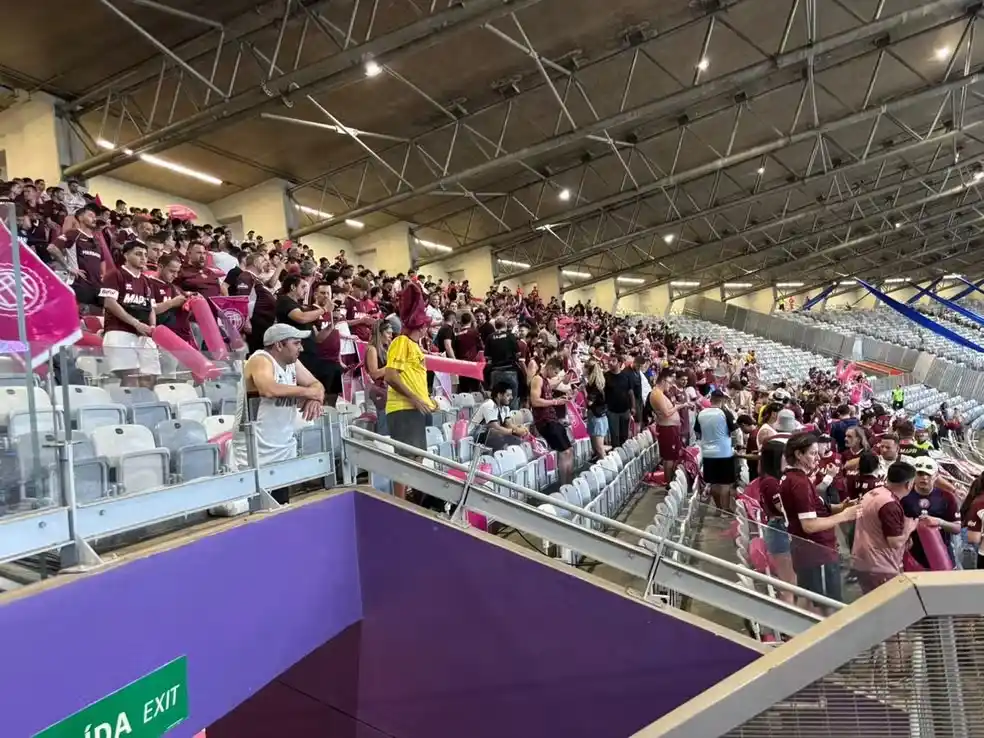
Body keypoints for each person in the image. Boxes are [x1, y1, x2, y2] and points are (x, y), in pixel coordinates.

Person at [229, 324, 325, 503]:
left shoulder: (292, 363)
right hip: (255, 449)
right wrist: (308, 393)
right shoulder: (260, 360)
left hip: (282, 447)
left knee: (281, 505)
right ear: (279, 345)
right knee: (259, 511)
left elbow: (317, 386)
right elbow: (268, 389)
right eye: (296, 343)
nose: (301, 348)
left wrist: (315, 398)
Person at [779, 432, 859, 610]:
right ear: (799, 455)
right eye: (813, 453)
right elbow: (809, 525)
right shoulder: (799, 482)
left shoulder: (794, 478)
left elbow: (814, 508)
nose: (818, 458)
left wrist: (841, 507)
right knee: (824, 606)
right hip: (816, 553)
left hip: (809, 551)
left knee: (808, 598)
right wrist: (844, 516)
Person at [385, 285, 437, 501]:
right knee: (406, 460)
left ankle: (411, 504)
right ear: (422, 326)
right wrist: (415, 398)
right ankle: (400, 505)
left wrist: (427, 399)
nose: (427, 329)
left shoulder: (415, 346)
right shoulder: (401, 342)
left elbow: (412, 379)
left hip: (414, 409)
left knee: (417, 458)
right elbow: (391, 376)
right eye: (426, 325)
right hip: (403, 408)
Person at [851, 462, 920, 593]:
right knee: (887, 609)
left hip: (862, 560)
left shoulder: (872, 493)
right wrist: (909, 528)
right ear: (908, 484)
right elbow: (895, 542)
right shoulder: (890, 505)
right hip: (881, 567)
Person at [99, 240, 160, 386]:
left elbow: (151, 308)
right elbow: (110, 303)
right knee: (130, 377)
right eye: (138, 254)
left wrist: (153, 329)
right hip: (119, 331)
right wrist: (136, 323)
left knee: (150, 378)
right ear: (126, 255)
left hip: (143, 334)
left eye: (145, 254)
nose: (143, 258)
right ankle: (129, 407)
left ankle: (147, 408)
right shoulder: (114, 274)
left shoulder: (147, 281)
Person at [901, 456, 960, 568]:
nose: (924, 478)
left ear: (936, 476)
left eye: (928, 474)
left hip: (942, 555)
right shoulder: (904, 497)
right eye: (920, 474)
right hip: (914, 557)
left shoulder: (947, 497)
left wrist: (940, 522)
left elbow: (957, 528)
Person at [758, 440, 797, 603]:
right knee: (788, 583)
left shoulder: (772, 480)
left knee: (790, 581)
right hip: (779, 530)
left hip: (779, 529)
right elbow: (784, 508)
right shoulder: (771, 482)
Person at [531, 356, 574, 485]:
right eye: (555, 372)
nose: (555, 375)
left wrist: (562, 380)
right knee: (564, 452)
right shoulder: (537, 379)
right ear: (549, 368)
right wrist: (555, 401)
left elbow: (554, 384)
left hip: (553, 420)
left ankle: (570, 483)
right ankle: (564, 485)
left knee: (570, 450)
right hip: (545, 422)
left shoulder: (545, 381)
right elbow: (535, 401)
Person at [694, 390, 738, 511]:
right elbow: (734, 430)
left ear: (711, 399)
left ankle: (718, 507)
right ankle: (725, 509)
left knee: (713, 482)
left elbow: (697, 432)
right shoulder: (725, 413)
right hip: (724, 452)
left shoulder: (701, 413)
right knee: (725, 483)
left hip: (708, 452)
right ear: (722, 400)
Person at [469, 382, 529, 451]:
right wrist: (514, 431)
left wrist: (521, 429)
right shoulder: (489, 405)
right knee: (502, 436)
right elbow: (495, 428)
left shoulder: (505, 407)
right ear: (499, 395)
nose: (511, 398)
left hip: (489, 435)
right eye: (508, 395)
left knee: (516, 437)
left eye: (511, 395)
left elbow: (508, 424)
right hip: (476, 436)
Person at [649, 368, 685, 483]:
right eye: (669, 383)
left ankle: (669, 481)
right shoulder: (657, 394)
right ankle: (668, 483)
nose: (670, 386)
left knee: (672, 457)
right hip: (667, 429)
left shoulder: (660, 393)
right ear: (664, 381)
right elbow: (666, 413)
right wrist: (679, 406)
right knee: (669, 458)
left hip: (671, 428)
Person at [365, 319, 394, 435]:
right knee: (382, 427)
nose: (391, 336)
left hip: (387, 391)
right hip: (377, 392)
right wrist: (393, 365)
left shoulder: (386, 349)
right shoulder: (372, 349)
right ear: (380, 333)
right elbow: (374, 373)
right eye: (388, 333)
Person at [485, 318, 521, 409]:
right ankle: (512, 417)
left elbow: (488, 357)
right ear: (505, 325)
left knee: (496, 400)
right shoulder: (510, 336)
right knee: (512, 398)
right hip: (510, 371)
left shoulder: (489, 337)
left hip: (495, 372)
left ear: (495, 326)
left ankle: (497, 419)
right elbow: (518, 354)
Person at [604, 354, 636, 449]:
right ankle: (616, 455)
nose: (610, 362)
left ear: (620, 363)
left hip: (625, 410)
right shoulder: (605, 376)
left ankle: (623, 455)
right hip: (612, 411)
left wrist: (633, 406)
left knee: (624, 435)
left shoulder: (626, 376)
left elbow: (630, 392)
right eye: (609, 360)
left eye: (613, 361)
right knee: (615, 437)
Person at [584, 359, 609, 460]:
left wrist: (583, 391)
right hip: (596, 416)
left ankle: (606, 465)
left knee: (599, 448)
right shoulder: (596, 383)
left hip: (597, 418)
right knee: (596, 448)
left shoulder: (595, 385)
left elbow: (589, 401)